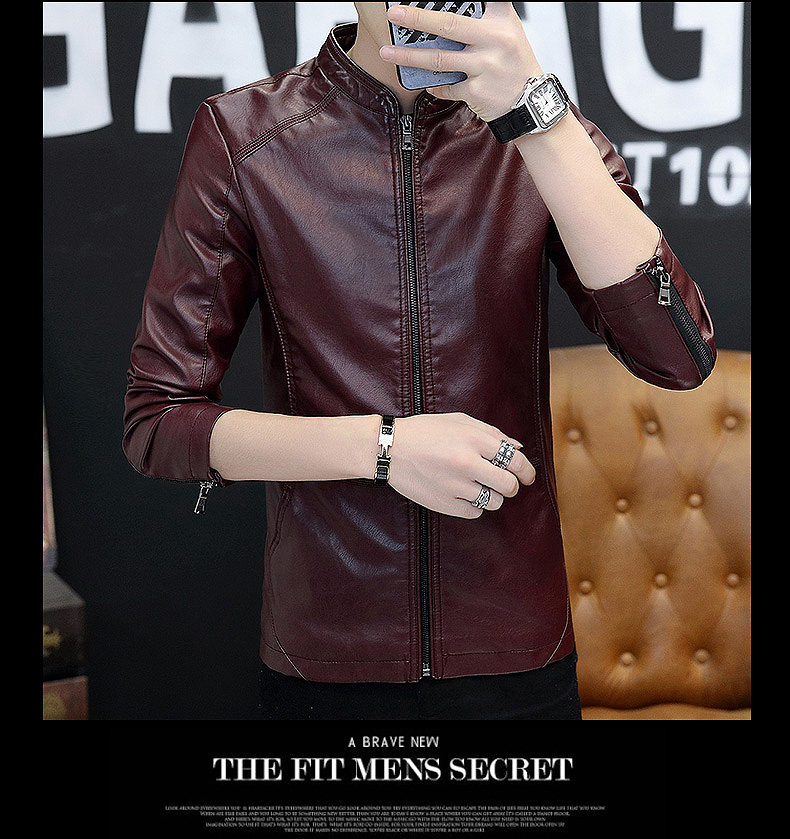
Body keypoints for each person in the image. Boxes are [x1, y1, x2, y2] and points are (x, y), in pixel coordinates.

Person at [122, 2, 716, 721]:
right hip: (329, 650)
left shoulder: (548, 136)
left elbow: (677, 357)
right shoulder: (246, 136)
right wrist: (384, 449)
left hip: (517, 650)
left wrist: (542, 120)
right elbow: (159, 421)